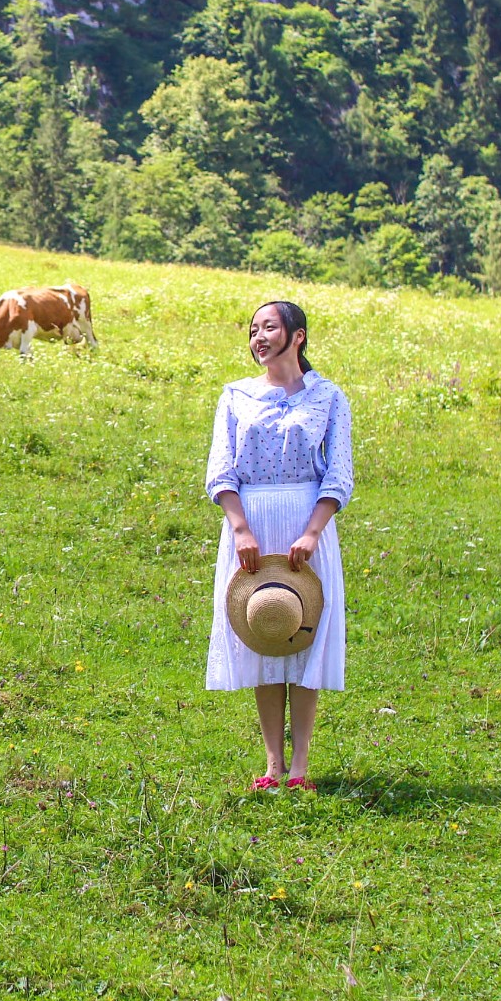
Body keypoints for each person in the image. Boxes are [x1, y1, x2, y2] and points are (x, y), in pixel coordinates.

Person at [204, 300, 353, 792]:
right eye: (253, 330)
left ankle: (302, 767)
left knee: (304, 635)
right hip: (252, 522)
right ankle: (272, 764)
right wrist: (240, 527)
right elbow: (221, 470)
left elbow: (339, 474)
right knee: (264, 630)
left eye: (269, 327)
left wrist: (313, 532)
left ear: (298, 336)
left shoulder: (328, 397)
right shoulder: (235, 395)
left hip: (306, 523)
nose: (259, 337)